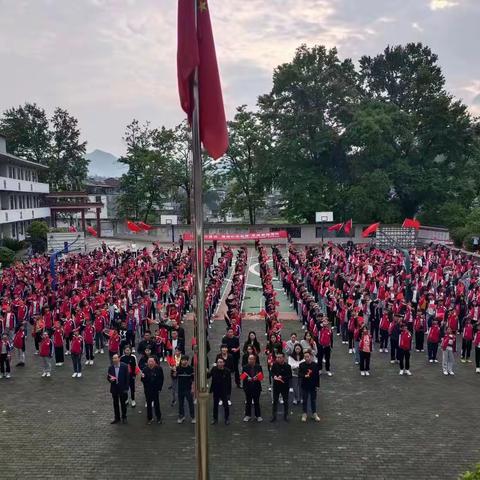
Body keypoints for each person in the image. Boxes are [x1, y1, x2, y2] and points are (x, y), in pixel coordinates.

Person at [298, 350, 320, 422]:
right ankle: (304, 413)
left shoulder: (315, 365)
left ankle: (314, 413)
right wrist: (304, 375)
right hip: (305, 385)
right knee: (305, 400)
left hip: (313, 385)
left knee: (313, 400)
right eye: (305, 357)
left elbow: (317, 376)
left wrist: (317, 385)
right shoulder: (301, 365)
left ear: (311, 356)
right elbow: (299, 374)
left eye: (308, 356)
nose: (306, 358)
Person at [241, 354, 264, 422]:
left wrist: (257, 378)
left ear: (255, 360)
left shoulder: (258, 367)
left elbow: (261, 376)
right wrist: (247, 378)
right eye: (249, 359)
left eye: (252, 359)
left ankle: (258, 416)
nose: (250, 360)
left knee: (256, 402)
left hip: (256, 387)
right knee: (248, 402)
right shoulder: (245, 367)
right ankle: (248, 415)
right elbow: (242, 377)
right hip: (248, 387)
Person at [207, 357, 231, 425]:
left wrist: (229, 393)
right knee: (215, 405)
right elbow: (208, 376)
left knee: (226, 405)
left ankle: (227, 418)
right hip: (216, 389)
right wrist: (206, 371)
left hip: (224, 390)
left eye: (221, 362)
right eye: (218, 362)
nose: (220, 364)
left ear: (224, 363)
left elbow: (229, 383)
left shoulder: (227, 371)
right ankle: (215, 419)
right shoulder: (214, 369)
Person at [141, 357, 164, 424]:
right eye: (149, 361)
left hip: (155, 389)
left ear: (154, 362)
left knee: (157, 403)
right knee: (148, 404)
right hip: (148, 389)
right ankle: (149, 418)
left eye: (151, 361)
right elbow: (143, 381)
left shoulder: (159, 369)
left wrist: (160, 388)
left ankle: (159, 417)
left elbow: (161, 379)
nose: (150, 363)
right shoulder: (145, 369)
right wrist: (143, 377)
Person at [107, 353, 130, 424]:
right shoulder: (110, 367)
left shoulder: (124, 366)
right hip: (114, 388)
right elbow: (108, 377)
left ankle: (124, 417)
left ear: (119, 359)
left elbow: (127, 378)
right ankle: (117, 417)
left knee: (123, 403)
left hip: (122, 388)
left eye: (116, 358)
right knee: (115, 403)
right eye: (113, 358)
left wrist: (126, 388)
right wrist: (110, 380)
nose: (114, 360)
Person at [270, 353, 292, 422]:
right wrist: (274, 376)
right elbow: (271, 372)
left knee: (285, 401)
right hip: (276, 386)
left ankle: (286, 416)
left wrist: (282, 377)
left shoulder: (287, 366)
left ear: (283, 358)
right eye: (277, 358)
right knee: (275, 401)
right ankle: (274, 416)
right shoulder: (274, 365)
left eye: (279, 357)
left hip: (284, 386)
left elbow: (290, 376)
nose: (278, 359)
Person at [175, 355, 195, 424]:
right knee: (180, 403)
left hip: (188, 389)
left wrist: (193, 388)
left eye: (185, 360)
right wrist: (174, 371)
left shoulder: (190, 369)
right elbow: (174, 376)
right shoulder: (178, 368)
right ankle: (181, 416)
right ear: (181, 361)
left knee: (190, 403)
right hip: (180, 389)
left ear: (187, 361)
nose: (184, 361)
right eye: (183, 360)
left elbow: (193, 380)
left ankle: (193, 417)